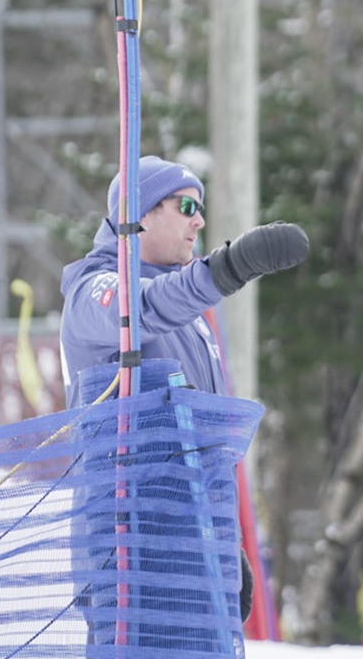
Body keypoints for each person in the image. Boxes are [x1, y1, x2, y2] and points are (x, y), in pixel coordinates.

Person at [59, 154, 310, 627]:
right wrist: (230, 267)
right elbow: (139, 309)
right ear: (142, 212)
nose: (201, 220)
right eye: (187, 205)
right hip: (130, 551)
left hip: (194, 549)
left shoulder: (191, 313)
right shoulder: (92, 290)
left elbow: (204, 444)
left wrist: (223, 543)